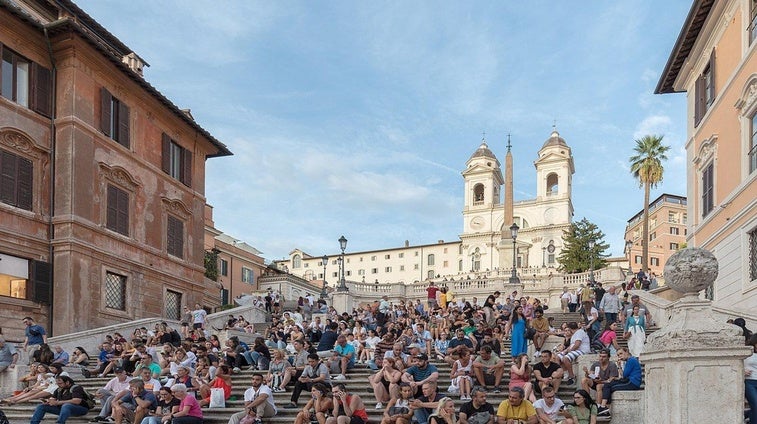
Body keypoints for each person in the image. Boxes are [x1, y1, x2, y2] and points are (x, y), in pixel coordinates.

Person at [596, 348, 642, 416]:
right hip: (628, 381)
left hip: (632, 383)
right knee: (608, 385)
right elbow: (624, 376)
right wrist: (619, 366)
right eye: (618, 355)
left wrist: (619, 367)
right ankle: (604, 409)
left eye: (621, 353)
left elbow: (624, 375)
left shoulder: (631, 360)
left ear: (626, 352)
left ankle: (603, 408)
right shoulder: (629, 360)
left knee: (609, 387)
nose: (619, 356)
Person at [745, 334, 757, 424]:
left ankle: (747, 415)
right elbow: (737, 364)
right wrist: (743, 371)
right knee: (756, 405)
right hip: (750, 382)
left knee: (755, 407)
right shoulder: (747, 352)